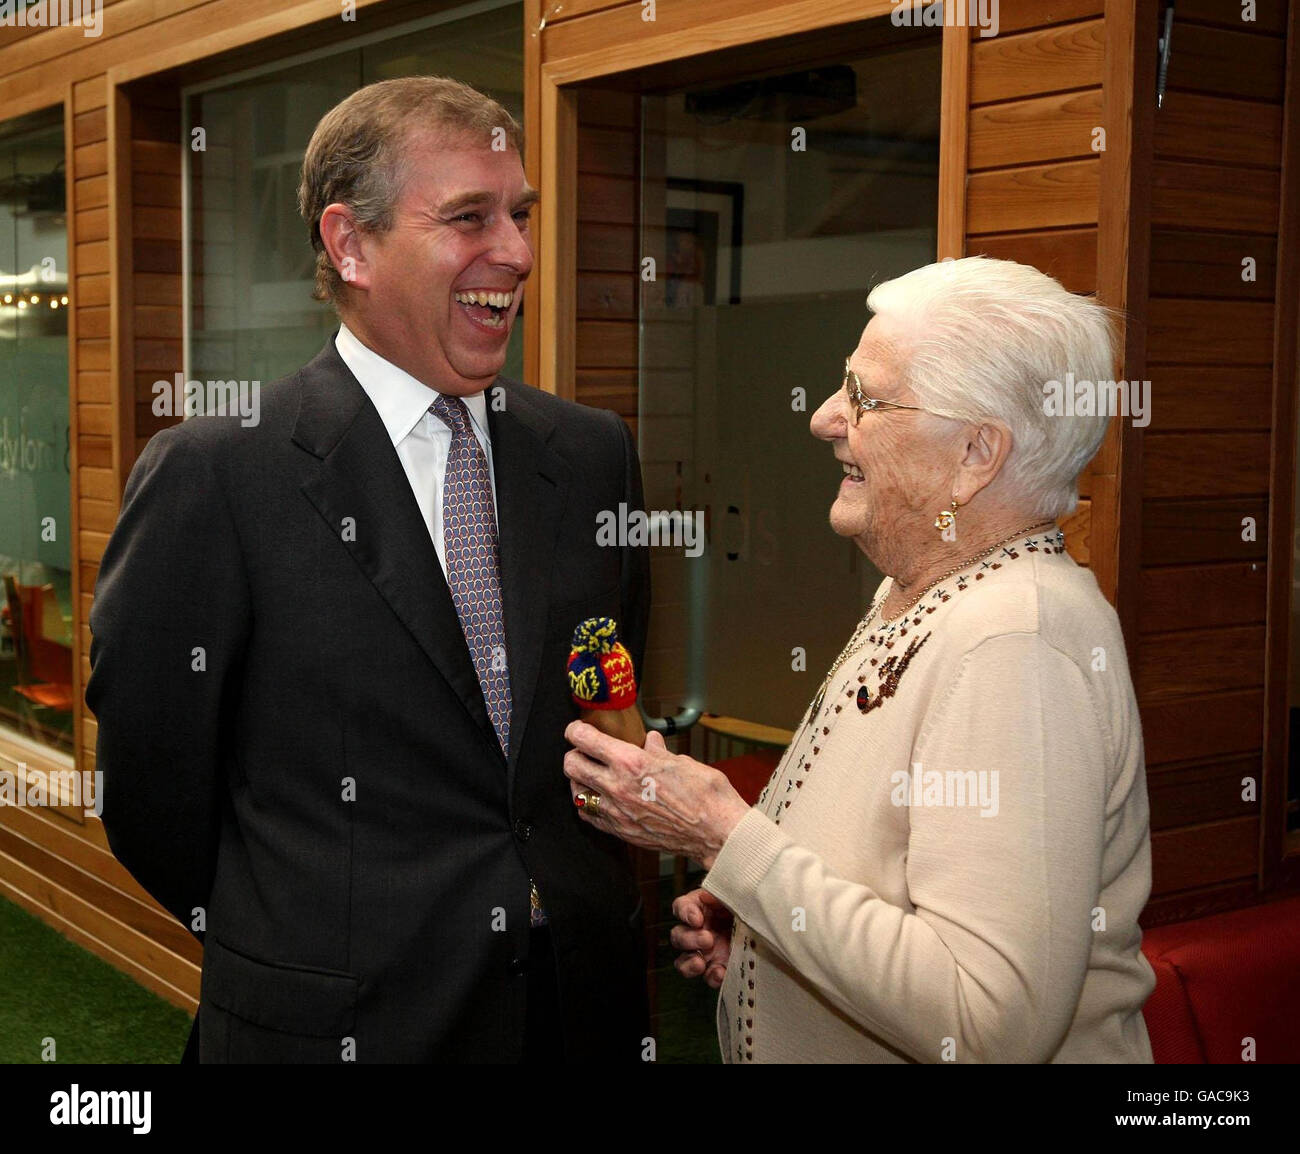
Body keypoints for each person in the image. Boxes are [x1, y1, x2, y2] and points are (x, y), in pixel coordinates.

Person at [86, 76, 650, 1063]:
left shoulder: (591, 453)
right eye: (468, 217)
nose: (515, 252)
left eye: (518, 214)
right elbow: (152, 788)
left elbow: (605, 693)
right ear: (350, 244)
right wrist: (298, 939)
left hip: (575, 1015)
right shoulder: (222, 472)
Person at [563, 256, 1156, 1063]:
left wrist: (724, 837)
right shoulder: (914, 592)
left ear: (977, 453)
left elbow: (989, 1022)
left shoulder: (1017, 640)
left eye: (867, 398)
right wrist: (769, 944)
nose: (826, 418)